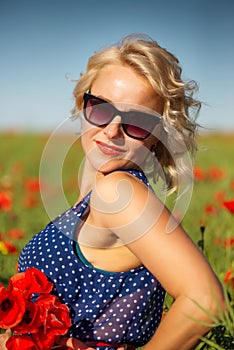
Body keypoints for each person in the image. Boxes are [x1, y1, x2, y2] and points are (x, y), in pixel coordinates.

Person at [18, 34, 224, 350]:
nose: (112, 131)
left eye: (138, 122)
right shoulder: (101, 183)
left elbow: (205, 300)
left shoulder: (118, 193)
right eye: (100, 109)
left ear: (158, 135)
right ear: (82, 103)